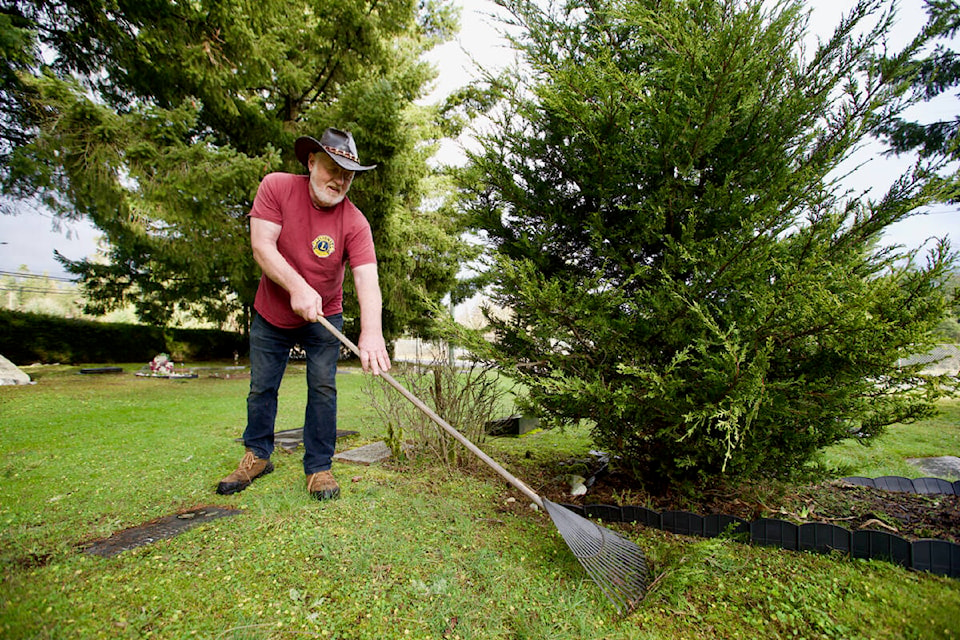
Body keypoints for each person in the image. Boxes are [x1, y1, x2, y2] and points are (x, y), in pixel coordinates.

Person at [217, 127, 391, 500]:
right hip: (272, 314)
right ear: (311, 162)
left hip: (325, 317)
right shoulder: (277, 187)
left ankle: (319, 467)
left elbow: (367, 281)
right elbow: (262, 246)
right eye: (333, 168)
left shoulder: (355, 222)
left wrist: (372, 332)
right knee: (262, 387)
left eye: (348, 174)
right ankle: (257, 456)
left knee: (323, 388)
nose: (341, 180)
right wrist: (297, 287)